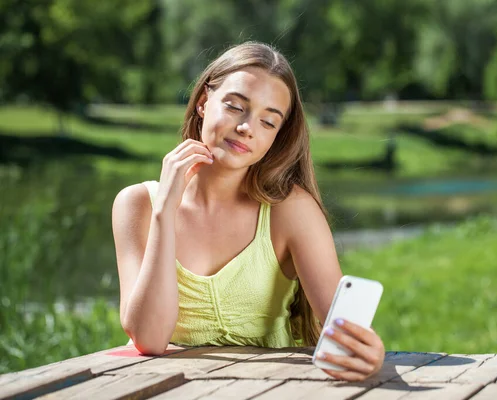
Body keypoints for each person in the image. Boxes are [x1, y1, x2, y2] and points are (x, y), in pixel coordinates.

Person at [111, 41, 384, 382]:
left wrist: (368, 352)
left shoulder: (291, 210)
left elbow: (343, 332)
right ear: (202, 103)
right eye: (236, 107)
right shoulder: (137, 204)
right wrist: (165, 211)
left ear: (277, 137)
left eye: (268, 123)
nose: (247, 128)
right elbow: (149, 339)